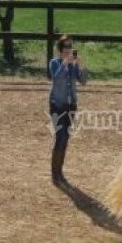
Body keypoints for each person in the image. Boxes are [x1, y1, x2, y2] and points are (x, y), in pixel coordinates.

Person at [48, 34, 87, 186]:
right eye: (66, 47)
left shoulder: (73, 65)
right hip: (57, 106)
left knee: (65, 140)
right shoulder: (54, 63)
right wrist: (65, 63)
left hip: (71, 106)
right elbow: (56, 79)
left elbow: (83, 81)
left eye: (70, 47)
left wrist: (81, 65)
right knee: (60, 138)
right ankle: (54, 173)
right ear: (60, 49)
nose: (68, 49)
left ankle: (60, 172)